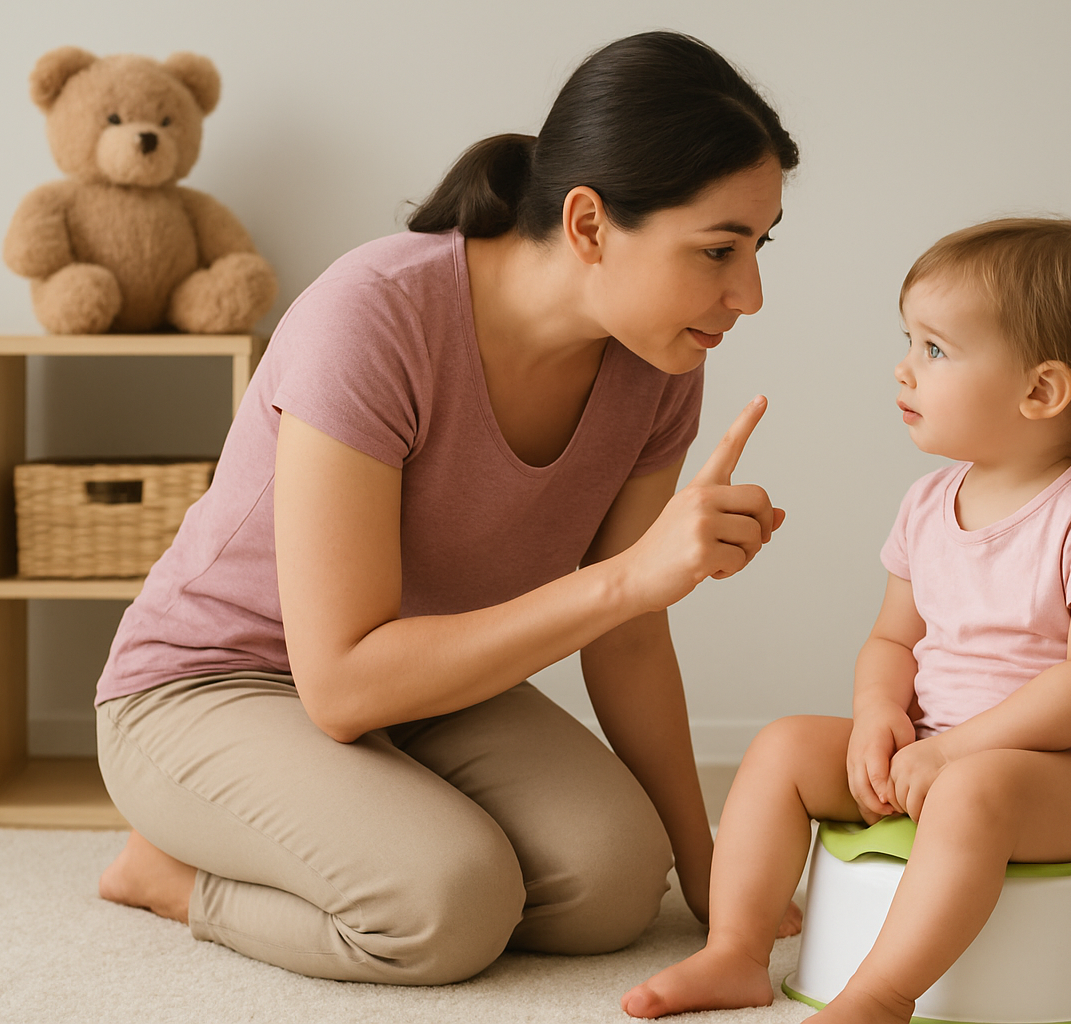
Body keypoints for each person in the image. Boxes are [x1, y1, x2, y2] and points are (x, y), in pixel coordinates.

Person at [92, 30, 799, 985]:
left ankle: (384, 817)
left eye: (759, 246)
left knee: (617, 886)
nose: (747, 293)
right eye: (719, 248)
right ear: (589, 223)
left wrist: (703, 857)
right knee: (446, 909)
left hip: (428, 686)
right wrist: (628, 577)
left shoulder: (661, 360)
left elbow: (627, 634)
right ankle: (168, 878)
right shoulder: (375, 316)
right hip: (213, 684)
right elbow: (340, 686)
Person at [624, 217, 1071, 1023]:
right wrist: (881, 715)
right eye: (910, 340)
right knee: (784, 745)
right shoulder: (928, 504)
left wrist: (955, 751)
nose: (904, 368)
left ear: (1041, 391)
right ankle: (735, 952)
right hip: (937, 748)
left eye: (935, 349)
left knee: (974, 792)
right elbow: (893, 639)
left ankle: (882, 995)